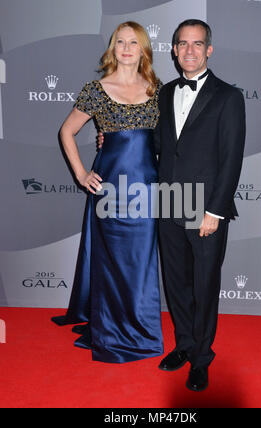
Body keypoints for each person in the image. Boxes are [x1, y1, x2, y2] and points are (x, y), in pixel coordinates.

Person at [52, 21, 164, 363]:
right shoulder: (95, 89)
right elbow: (66, 131)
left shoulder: (158, 89)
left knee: (141, 264)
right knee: (112, 262)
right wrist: (82, 173)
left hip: (146, 190)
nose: (127, 48)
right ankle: (111, 330)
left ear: (143, 48)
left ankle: (141, 329)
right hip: (110, 190)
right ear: (112, 48)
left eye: (133, 42)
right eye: (120, 42)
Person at [156, 19, 246, 391]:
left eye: (197, 44)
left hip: (205, 207)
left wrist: (215, 211)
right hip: (168, 201)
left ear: (209, 50)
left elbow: (231, 158)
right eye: (182, 44)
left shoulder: (228, 96)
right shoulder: (163, 93)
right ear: (174, 50)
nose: (189, 50)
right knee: (176, 284)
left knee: (205, 285)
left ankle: (202, 358)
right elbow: (159, 147)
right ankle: (184, 346)